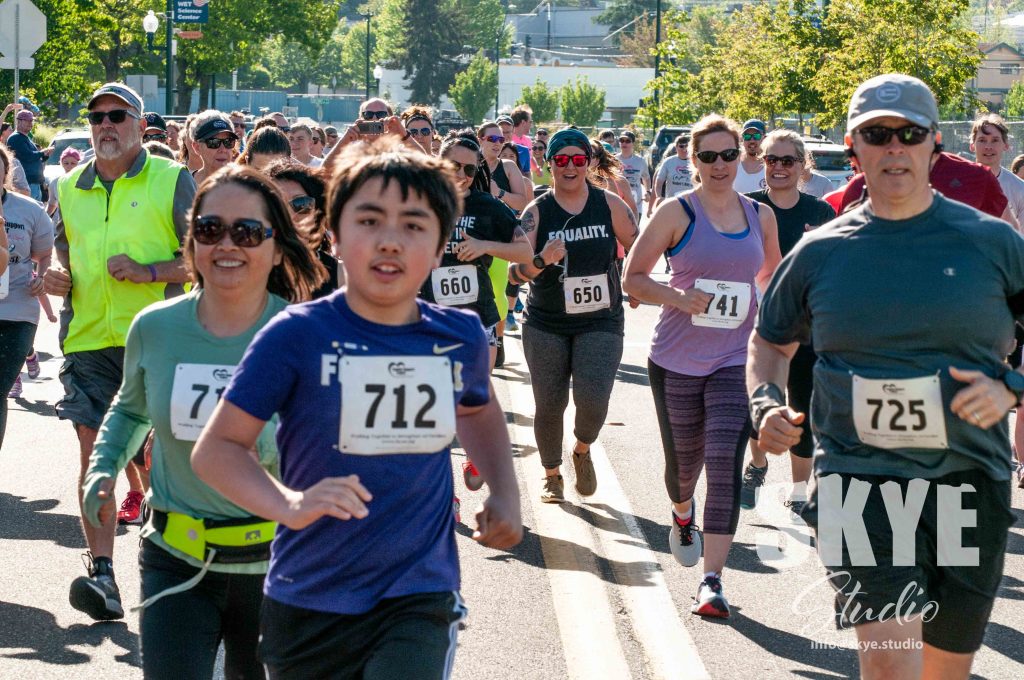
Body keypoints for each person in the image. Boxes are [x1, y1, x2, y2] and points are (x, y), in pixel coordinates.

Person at [191, 141, 522, 679]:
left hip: (418, 593)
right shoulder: (296, 335)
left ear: (441, 247)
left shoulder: (458, 336)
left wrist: (506, 493)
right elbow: (218, 451)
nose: (390, 241)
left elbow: (478, 411)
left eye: (414, 225)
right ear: (335, 236)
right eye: (369, 221)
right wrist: (290, 504)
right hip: (308, 598)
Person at [750, 73, 1023, 680]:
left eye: (910, 133)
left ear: (934, 145)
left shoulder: (993, 244)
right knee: (892, 667)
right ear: (854, 146)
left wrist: (1012, 387)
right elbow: (770, 341)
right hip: (860, 482)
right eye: (878, 133)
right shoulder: (821, 251)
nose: (894, 147)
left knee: (942, 673)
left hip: (968, 483)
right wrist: (765, 403)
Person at [81, 165, 323, 679]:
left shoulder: (306, 336)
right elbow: (129, 409)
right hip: (176, 560)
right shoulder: (156, 327)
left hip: (279, 568)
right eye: (211, 230)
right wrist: (102, 471)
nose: (227, 244)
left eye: (248, 232)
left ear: (277, 248)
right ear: (191, 244)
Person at [42, 82, 196, 621]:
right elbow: (58, 253)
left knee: (160, 460)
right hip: (87, 340)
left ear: (139, 123)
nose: (105, 125)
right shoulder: (68, 186)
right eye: (97, 117)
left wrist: (150, 272)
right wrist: (56, 277)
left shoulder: (172, 179)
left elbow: (208, 258)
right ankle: (102, 573)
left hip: (160, 339)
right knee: (96, 457)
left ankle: (180, 569)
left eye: (117, 115)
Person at [623, 114, 780, 619]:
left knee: (723, 463)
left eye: (728, 155)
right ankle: (681, 511)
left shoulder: (761, 216)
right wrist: (679, 297)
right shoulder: (676, 212)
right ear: (693, 161)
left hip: (736, 359)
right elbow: (633, 279)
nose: (719, 165)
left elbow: (769, 278)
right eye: (708, 156)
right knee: (683, 467)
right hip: (676, 359)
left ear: (741, 158)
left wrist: (774, 335)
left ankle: (712, 581)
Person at [507, 128, 638, 502]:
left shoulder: (610, 205)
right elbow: (514, 275)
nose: (569, 167)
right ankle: (551, 474)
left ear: (589, 163)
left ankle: (582, 448)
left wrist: (637, 283)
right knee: (549, 403)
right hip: (546, 322)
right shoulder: (536, 213)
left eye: (578, 160)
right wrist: (541, 261)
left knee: (593, 400)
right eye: (560, 160)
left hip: (601, 319)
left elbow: (640, 246)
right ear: (549, 164)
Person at [742, 129, 835, 514]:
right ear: (762, 162)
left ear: (802, 166)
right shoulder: (745, 207)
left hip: (805, 326)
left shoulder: (821, 213)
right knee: (757, 398)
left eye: (788, 161)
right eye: (771, 160)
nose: (778, 168)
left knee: (801, 406)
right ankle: (758, 464)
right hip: (752, 320)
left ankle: (799, 490)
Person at [0, 145, 53, 447]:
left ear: (5, 173)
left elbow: (44, 254)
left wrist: (42, 277)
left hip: (18, 311)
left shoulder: (29, 210)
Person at [265, 159, 342, 299]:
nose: (290, 216)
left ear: (318, 214)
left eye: (301, 204)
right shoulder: (252, 272)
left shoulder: (342, 276)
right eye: (279, 205)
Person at [970, 113, 1024, 230]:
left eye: (995, 140)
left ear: (1005, 145)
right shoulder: (957, 182)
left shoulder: (1020, 189)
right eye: (982, 140)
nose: (988, 146)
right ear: (972, 145)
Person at [478, 122, 529, 212]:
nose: (497, 143)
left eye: (501, 140)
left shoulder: (509, 166)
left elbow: (522, 204)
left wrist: (499, 192)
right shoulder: (470, 165)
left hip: (501, 223)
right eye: (492, 138)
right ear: (480, 140)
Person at [6, 108, 50, 202]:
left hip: (34, 183)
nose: (30, 123)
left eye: (31, 120)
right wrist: (42, 152)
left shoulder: (25, 138)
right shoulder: (16, 138)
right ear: (19, 121)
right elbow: (27, 156)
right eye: (27, 120)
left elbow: (33, 158)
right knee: (29, 214)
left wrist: (45, 155)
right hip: (26, 184)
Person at [190, 111, 240, 185]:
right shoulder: (185, 184)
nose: (223, 149)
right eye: (214, 142)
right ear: (197, 147)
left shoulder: (244, 186)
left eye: (228, 141)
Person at [651, 134, 693, 216]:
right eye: (681, 146)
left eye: (687, 146)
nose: (684, 149)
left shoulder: (695, 162)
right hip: (671, 203)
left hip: (691, 204)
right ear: (676, 147)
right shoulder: (669, 162)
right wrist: (659, 197)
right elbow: (659, 182)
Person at [616, 131, 649, 212]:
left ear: (633, 143)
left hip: (636, 204)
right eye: (621, 140)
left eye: (627, 141)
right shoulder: (614, 160)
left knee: (635, 224)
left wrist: (648, 192)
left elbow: (646, 177)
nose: (624, 143)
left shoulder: (640, 161)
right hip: (618, 203)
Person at [733, 119, 767, 193]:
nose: (752, 140)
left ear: (764, 138)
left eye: (756, 136)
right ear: (742, 139)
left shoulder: (771, 165)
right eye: (747, 136)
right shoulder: (733, 163)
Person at [46, 147, 82, 216]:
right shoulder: (55, 182)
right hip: (61, 222)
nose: (69, 166)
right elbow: (52, 204)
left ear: (79, 164)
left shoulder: (85, 181)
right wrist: (43, 218)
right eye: (66, 163)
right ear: (61, 163)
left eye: (73, 163)